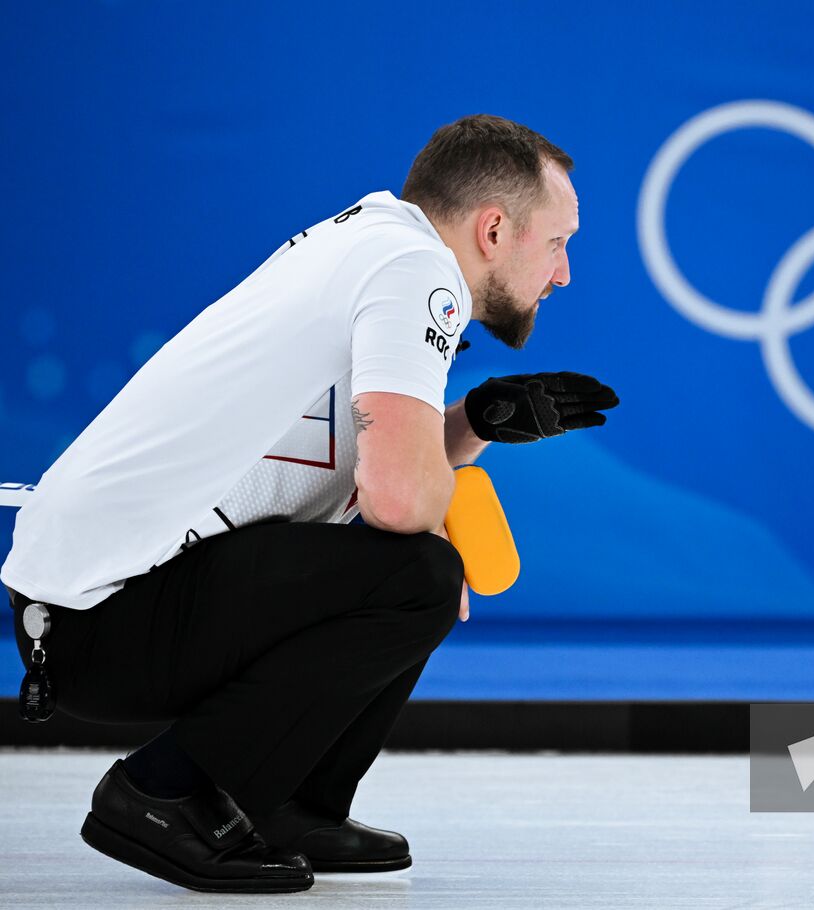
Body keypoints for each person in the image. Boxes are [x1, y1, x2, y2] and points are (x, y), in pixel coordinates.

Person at [1, 114, 618, 893]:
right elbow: (396, 502)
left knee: (408, 566)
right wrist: (426, 544)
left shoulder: (372, 239)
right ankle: (165, 792)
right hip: (103, 620)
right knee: (420, 574)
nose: (562, 274)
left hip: (83, 612)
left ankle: (285, 801)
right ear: (493, 228)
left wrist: (474, 422)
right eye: (557, 242)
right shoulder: (415, 271)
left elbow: (360, 467)